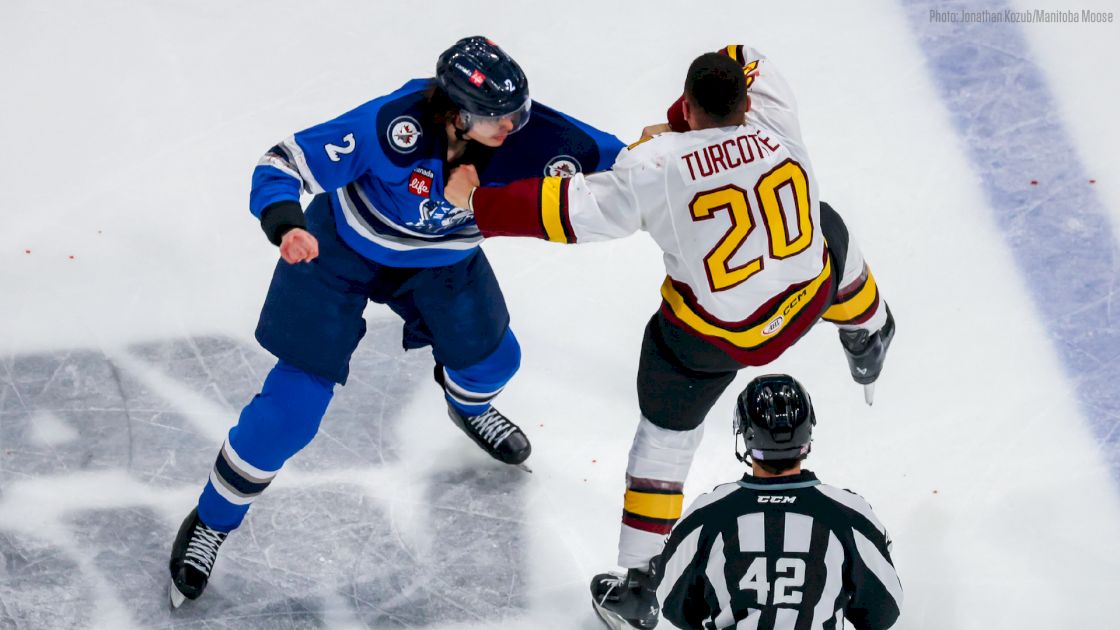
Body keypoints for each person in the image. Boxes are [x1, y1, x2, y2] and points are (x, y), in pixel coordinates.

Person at [444, 45, 896, 629]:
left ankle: (638, 584)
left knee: (666, 434)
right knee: (826, 221)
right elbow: (742, 55)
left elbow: (567, 213)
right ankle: (868, 327)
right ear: (746, 101)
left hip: (719, 340)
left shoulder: (656, 165)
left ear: (688, 103)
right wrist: (685, 125)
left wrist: (476, 202)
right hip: (807, 303)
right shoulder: (774, 118)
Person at [167, 36, 624, 608]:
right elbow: (281, 162)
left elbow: (630, 164)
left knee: (497, 361)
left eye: (518, 112)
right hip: (336, 251)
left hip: (443, 263)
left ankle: (468, 407)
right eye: (496, 117)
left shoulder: (546, 136)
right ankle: (212, 521)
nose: (512, 127)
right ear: (456, 112)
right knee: (289, 414)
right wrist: (286, 225)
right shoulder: (392, 124)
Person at [616, 374, 902, 630]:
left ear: (744, 434)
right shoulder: (849, 514)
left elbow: (672, 604)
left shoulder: (708, 514)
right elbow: (883, 612)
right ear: (808, 432)